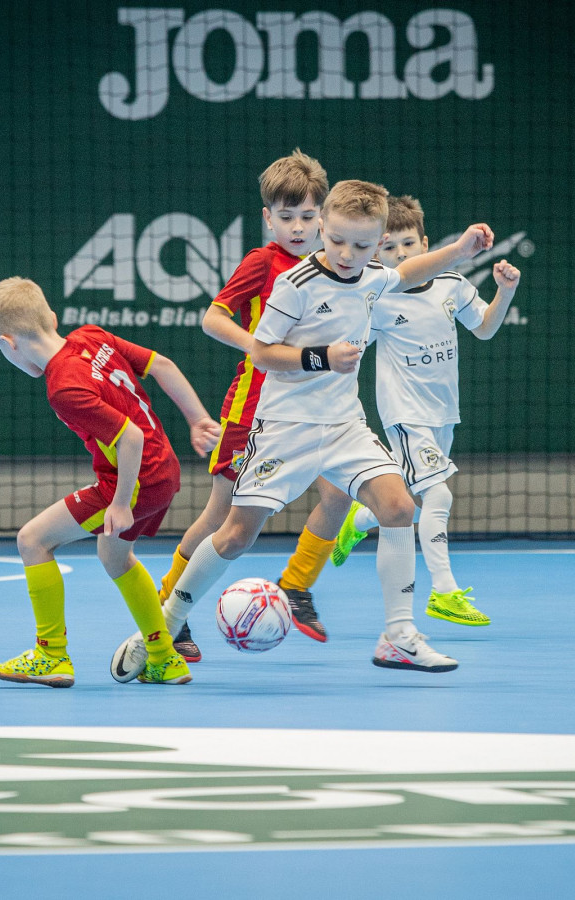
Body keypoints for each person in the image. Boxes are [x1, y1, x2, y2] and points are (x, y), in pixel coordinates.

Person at [111, 180, 495, 680]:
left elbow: (405, 272)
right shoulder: (296, 283)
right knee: (235, 535)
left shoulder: (373, 276)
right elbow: (261, 352)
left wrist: (461, 250)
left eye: (361, 245)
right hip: (284, 428)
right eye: (336, 240)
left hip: (344, 426)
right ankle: (161, 627)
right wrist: (323, 357)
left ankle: (398, 637)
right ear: (323, 229)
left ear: (378, 242)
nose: (347, 254)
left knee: (399, 507)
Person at [163, 148, 354, 660]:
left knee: (339, 492)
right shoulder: (263, 263)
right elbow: (213, 318)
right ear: (268, 218)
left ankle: (296, 586)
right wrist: (263, 350)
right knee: (221, 516)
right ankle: (167, 607)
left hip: (317, 409)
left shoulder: (333, 266)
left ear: (324, 218)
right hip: (254, 409)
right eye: (286, 217)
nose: (298, 227)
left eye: (308, 216)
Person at [0, 276, 220, 687]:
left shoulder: (64, 387)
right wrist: (198, 418)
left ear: (8, 343)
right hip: (163, 469)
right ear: (52, 318)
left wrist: (121, 503)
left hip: (135, 478)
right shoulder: (91, 336)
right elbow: (163, 365)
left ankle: (51, 655)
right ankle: (164, 658)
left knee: (32, 540)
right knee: (114, 557)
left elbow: (130, 438)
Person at [330, 196, 521, 628]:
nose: (401, 254)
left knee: (414, 500)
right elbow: (349, 347)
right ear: (376, 254)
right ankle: (444, 592)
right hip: (405, 414)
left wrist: (505, 291)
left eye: (408, 244)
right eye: (389, 247)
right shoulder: (377, 299)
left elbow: (485, 328)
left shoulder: (452, 284)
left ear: (426, 244)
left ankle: (361, 519)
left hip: (444, 413)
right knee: (439, 495)